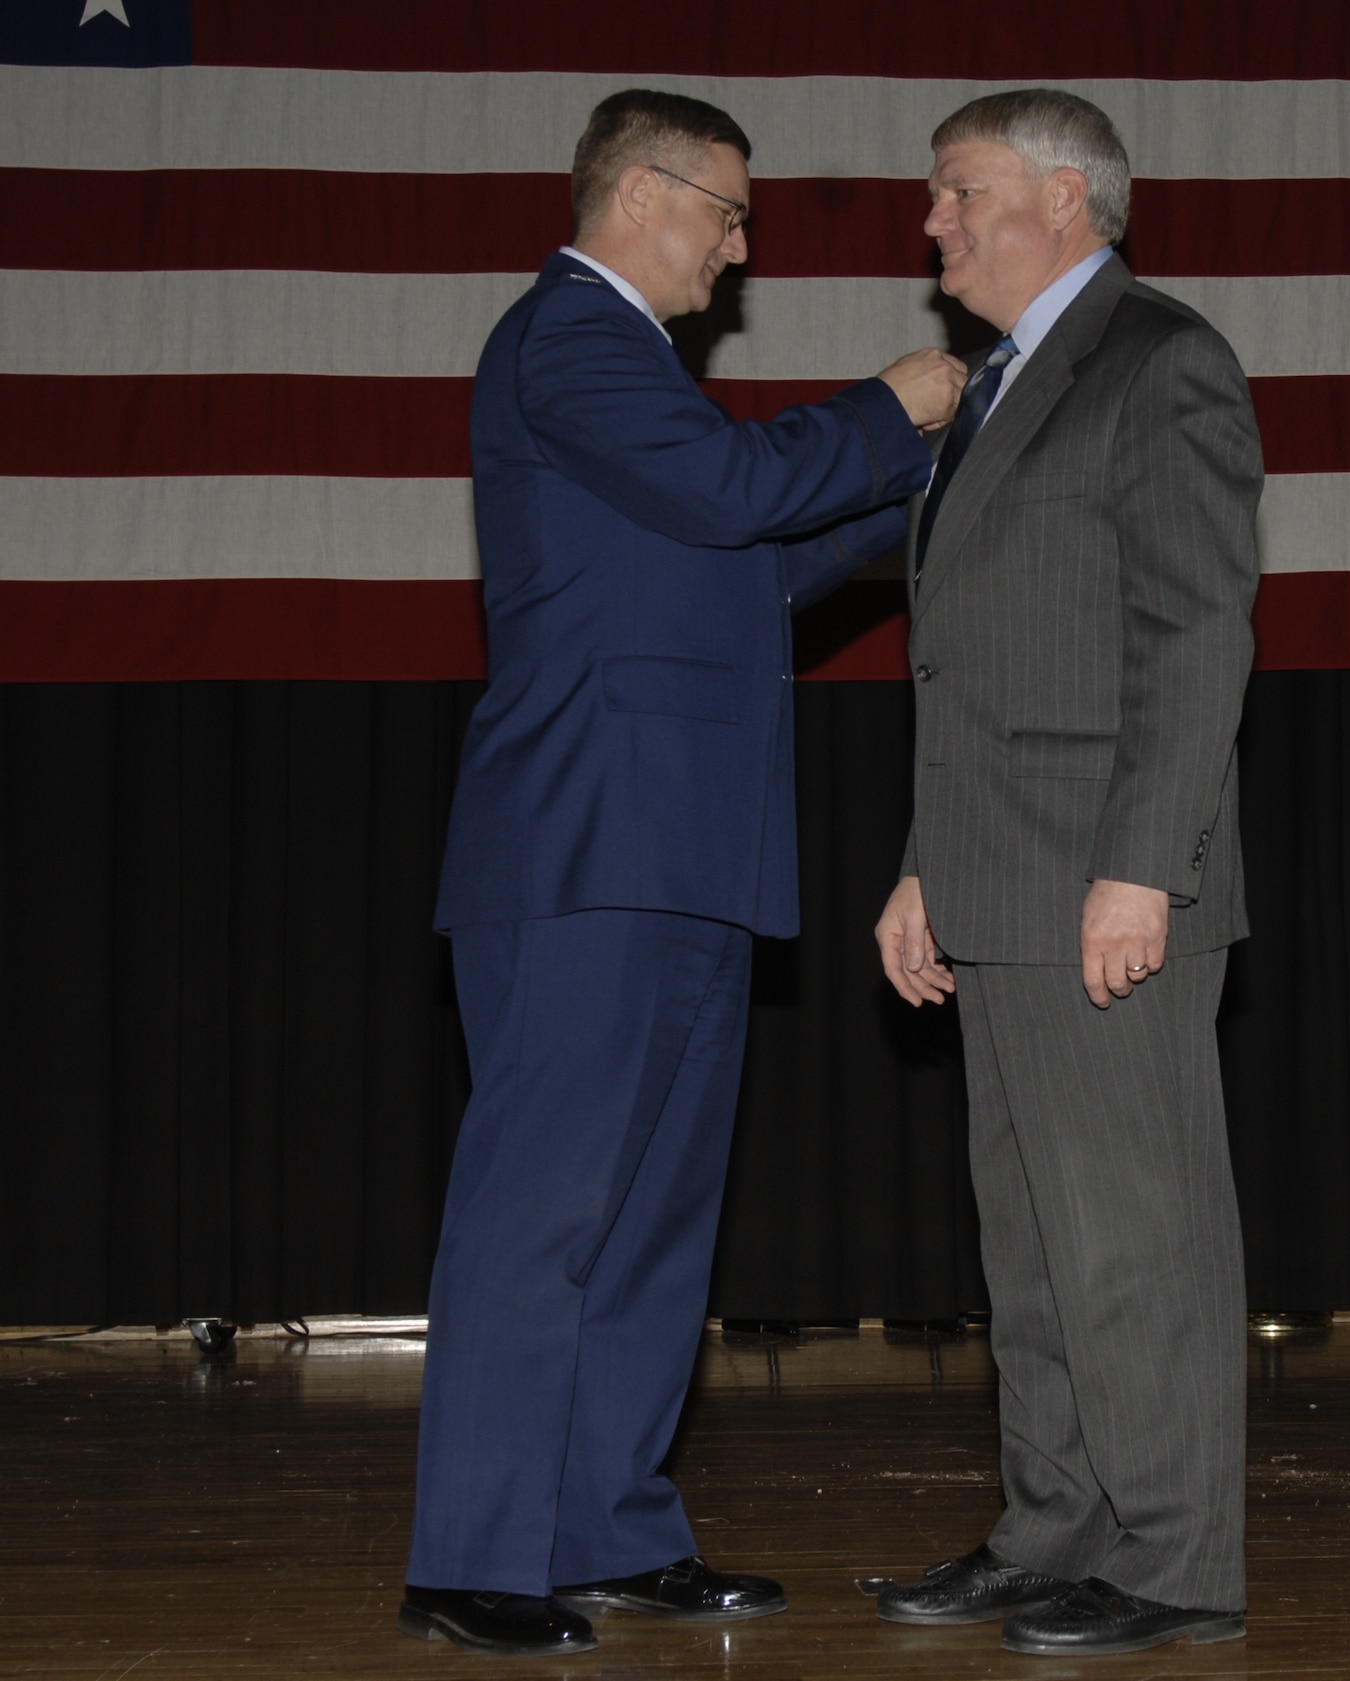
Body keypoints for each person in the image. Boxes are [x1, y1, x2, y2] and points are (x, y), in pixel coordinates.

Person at [400, 89, 964, 1658]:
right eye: (727, 211)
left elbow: (754, 557)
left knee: (651, 1219)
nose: (738, 245)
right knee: (543, 1216)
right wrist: (891, 407)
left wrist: (915, 477)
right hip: (584, 846)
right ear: (639, 191)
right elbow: (733, 494)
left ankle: (607, 1527)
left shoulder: (631, 373)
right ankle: (472, 1552)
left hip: (687, 851)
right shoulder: (568, 337)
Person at [870, 89, 1263, 1658]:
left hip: (1105, 884)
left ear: (1064, 196)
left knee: (1136, 1240)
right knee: (1033, 1243)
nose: (933, 223)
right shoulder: (997, 387)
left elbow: (1194, 633)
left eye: (960, 193)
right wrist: (920, 871)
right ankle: (1058, 1527)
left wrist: (1142, 870)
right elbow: (969, 661)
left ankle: (1176, 1556)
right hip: (993, 878)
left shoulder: (1161, 361)